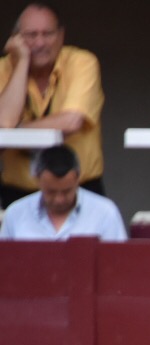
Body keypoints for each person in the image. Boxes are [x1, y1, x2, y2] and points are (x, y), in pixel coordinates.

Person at [0, 3, 103, 207]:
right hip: (18, 194)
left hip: (79, 190)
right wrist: (21, 63)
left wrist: (16, 133)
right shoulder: (4, 68)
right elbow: (4, 123)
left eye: (47, 34)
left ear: (61, 36)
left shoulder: (81, 62)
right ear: (16, 39)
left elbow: (71, 121)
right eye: (31, 35)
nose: (40, 42)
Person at [0, 143, 122, 240]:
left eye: (67, 191)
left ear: (78, 179)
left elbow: (118, 263)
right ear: (37, 180)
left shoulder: (105, 213)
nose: (59, 199)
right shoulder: (15, 214)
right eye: (51, 192)